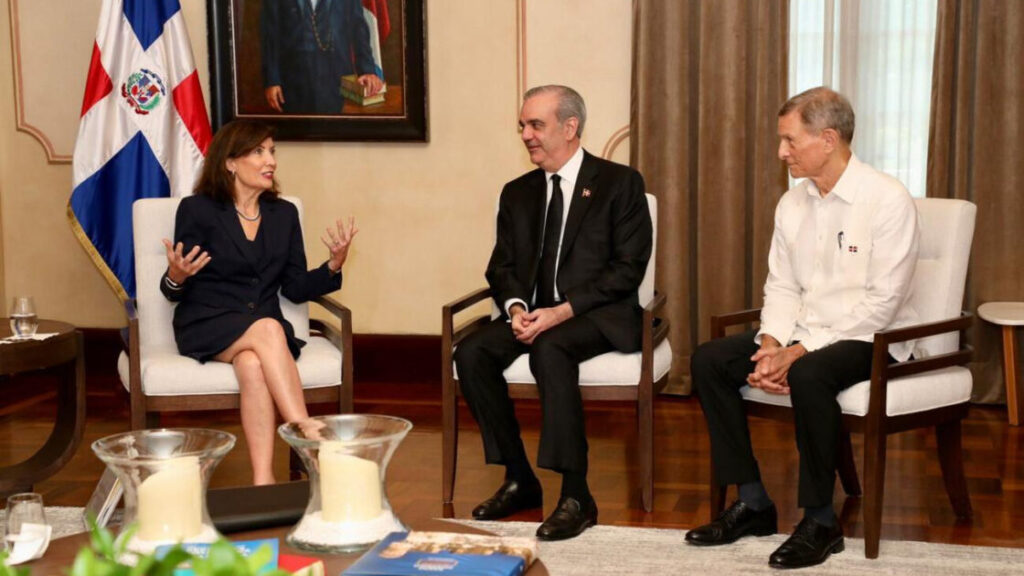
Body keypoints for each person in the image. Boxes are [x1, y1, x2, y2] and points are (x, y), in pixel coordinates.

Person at [684, 87, 920, 569]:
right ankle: (752, 502)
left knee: (810, 374)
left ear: (828, 139)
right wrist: (771, 343)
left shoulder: (887, 199)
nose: (781, 152)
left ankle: (820, 520)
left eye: (790, 141)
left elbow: (883, 303)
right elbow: (783, 285)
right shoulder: (793, 203)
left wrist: (798, 351)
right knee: (709, 360)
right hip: (805, 331)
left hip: (872, 337)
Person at [455, 85, 653, 541]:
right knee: (472, 353)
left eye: (535, 125)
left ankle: (576, 493)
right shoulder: (517, 192)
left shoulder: (620, 184)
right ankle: (519, 476)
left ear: (570, 128)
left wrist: (563, 311)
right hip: (534, 314)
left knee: (551, 347)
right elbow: (500, 266)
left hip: (598, 313)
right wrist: (517, 306)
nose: (525, 134)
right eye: (522, 126)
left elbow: (628, 271)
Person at [160, 119, 357, 485]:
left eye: (272, 151)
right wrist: (178, 276)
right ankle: (307, 432)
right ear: (230, 162)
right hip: (207, 322)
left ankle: (263, 482)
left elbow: (295, 287)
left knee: (252, 366)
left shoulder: (283, 214)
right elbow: (174, 288)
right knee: (268, 329)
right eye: (258, 152)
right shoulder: (197, 210)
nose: (270, 160)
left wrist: (332, 266)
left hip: (261, 335)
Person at [261, 0, 384, 114]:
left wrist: (366, 69)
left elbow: (358, 26)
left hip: (337, 78)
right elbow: (270, 32)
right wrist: (272, 80)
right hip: (292, 81)